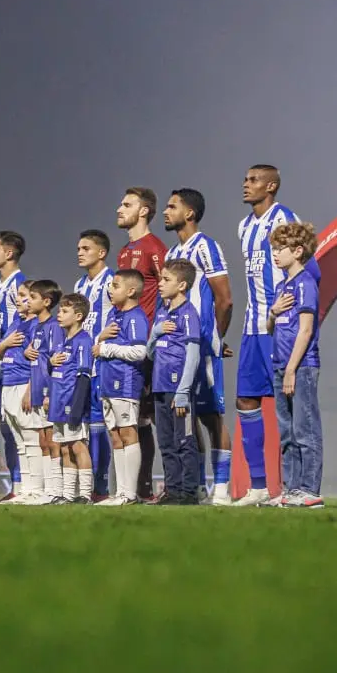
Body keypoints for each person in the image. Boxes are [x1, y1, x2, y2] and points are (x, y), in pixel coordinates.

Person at [235, 165, 318, 506]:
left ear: (270, 186)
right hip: (253, 326)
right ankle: (258, 486)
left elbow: (310, 269)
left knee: (293, 412)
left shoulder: (284, 218)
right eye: (245, 179)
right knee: (246, 400)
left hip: (279, 329)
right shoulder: (243, 226)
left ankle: (301, 487)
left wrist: (292, 312)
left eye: (253, 180)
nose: (246, 184)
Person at [163, 187, 235, 505]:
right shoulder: (172, 254)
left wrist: (215, 338)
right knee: (187, 418)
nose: (166, 212)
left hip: (202, 347)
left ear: (189, 213)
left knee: (211, 416)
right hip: (177, 350)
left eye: (172, 206)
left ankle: (222, 488)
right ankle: (198, 486)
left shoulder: (206, 246)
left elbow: (224, 299)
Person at [268, 222, 324, 508]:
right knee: (287, 433)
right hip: (280, 364)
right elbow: (271, 327)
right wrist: (273, 311)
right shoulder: (282, 286)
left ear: (298, 251)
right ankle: (291, 489)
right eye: (274, 248)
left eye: (281, 249)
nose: (275, 254)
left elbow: (306, 329)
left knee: (305, 429)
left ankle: (310, 490)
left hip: (301, 367)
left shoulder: (305, 283)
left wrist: (291, 369)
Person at [115, 187, 166, 500]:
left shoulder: (154, 247)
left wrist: (158, 335)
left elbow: (169, 290)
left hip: (147, 346)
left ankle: (176, 485)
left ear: (144, 211)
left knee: (155, 415)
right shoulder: (124, 251)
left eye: (127, 204)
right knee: (136, 417)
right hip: (125, 345)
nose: (119, 209)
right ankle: (139, 487)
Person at [146, 260, 202, 505]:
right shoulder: (162, 312)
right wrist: (155, 333)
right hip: (159, 387)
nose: (160, 283)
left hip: (178, 389)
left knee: (184, 440)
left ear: (182, 285)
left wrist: (183, 391)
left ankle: (189, 493)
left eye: (166, 279)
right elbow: (150, 353)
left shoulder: (189, 314)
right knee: (166, 443)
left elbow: (193, 354)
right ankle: (172, 490)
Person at [93, 270, 150, 506]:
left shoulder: (136, 317)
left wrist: (107, 349)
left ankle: (130, 494)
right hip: (107, 383)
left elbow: (140, 352)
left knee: (128, 434)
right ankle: (120, 492)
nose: (110, 289)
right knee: (116, 437)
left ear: (131, 291)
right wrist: (100, 338)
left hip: (125, 383)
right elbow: (97, 347)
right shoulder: (113, 315)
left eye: (115, 286)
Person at [74, 230, 115, 501]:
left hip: (103, 365)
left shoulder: (112, 282)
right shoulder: (79, 285)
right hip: (81, 365)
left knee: (101, 426)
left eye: (85, 248)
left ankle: (101, 487)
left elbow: (121, 316)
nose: (80, 253)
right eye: (79, 248)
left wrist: (102, 339)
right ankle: (83, 486)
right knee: (84, 427)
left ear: (101, 253)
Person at [19, 280, 65, 505]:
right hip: (37, 387)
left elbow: (57, 360)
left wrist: (50, 392)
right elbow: (38, 357)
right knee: (43, 441)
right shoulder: (36, 327)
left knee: (53, 440)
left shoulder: (54, 327)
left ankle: (58, 489)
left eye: (33, 297)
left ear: (46, 302)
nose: (27, 301)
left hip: (48, 389)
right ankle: (48, 489)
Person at [0, 231, 26, 498]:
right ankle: (16, 484)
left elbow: (24, 322)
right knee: (7, 427)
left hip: (15, 364)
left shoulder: (18, 284)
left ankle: (25, 484)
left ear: (9, 253)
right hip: (0, 362)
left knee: (19, 427)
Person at [48, 293, 95, 504]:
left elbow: (84, 376)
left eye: (64, 311)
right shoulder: (62, 342)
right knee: (65, 448)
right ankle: (68, 495)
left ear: (78, 316)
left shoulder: (83, 340)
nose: (59, 314)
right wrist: (50, 363)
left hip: (72, 403)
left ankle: (85, 494)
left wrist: (76, 408)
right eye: (59, 310)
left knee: (78, 446)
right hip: (58, 403)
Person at [0, 282, 35, 501]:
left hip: (23, 384)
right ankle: (23, 490)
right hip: (8, 383)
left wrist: (30, 389)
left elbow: (39, 361)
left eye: (23, 295)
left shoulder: (37, 326)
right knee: (19, 442)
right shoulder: (15, 323)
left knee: (31, 440)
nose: (18, 300)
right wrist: (6, 343)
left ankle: (36, 489)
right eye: (17, 296)